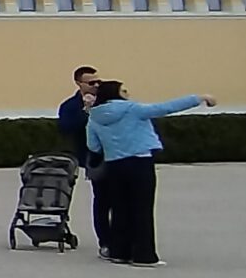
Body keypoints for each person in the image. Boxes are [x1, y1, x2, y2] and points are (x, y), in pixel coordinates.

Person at [85, 81, 215, 267]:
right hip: (139, 162)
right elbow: (165, 108)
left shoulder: (94, 117)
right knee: (142, 209)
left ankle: (119, 252)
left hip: (114, 165)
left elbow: (94, 146)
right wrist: (198, 98)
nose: (127, 92)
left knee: (120, 209)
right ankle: (143, 255)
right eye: (123, 90)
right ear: (115, 93)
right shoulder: (132, 109)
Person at [55, 65, 115, 257]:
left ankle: (122, 239)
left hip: (117, 155)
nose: (96, 86)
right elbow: (66, 128)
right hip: (94, 158)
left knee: (120, 200)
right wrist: (87, 111)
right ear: (79, 83)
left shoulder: (108, 101)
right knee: (102, 200)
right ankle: (105, 241)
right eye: (91, 83)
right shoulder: (70, 106)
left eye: (99, 82)